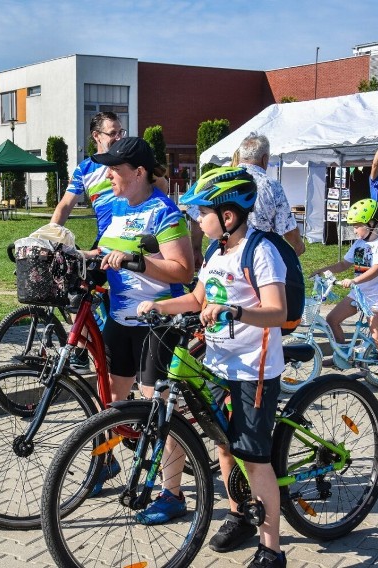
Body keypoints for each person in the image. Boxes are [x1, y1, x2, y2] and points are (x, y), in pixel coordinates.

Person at [138, 167, 287, 566]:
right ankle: (239, 515)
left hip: (253, 370)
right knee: (224, 444)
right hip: (220, 365)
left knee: (254, 460)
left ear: (228, 215)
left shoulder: (261, 251)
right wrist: (158, 306)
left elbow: (278, 311)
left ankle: (271, 548)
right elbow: (198, 298)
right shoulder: (215, 252)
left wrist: (235, 309)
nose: (196, 220)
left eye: (202, 212)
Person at [87, 137, 195, 501]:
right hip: (120, 320)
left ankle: (172, 493)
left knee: (159, 410)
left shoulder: (165, 212)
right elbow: (104, 251)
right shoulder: (117, 208)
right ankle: (106, 464)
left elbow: (183, 271)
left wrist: (138, 261)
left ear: (139, 172)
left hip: (157, 323)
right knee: (113, 406)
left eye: (115, 169)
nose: (109, 175)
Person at [311, 199, 378, 395]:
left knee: (377, 335)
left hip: (375, 296)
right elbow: (344, 264)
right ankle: (342, 355)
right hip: (358, 294)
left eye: (358, 226)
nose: (355, 230)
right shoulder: (359, 244)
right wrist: (322, 270)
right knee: (332, 319)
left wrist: (354, 280)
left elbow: (377, 269)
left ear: (372, 225)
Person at [51, 111, 125, 245]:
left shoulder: (132, 159)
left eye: (121, 132)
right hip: (105, 240)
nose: (119, 138)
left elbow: (161, 186)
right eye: (113, 133)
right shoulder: (84, 169)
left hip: (134, 237)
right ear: (97, 136)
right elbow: (66, 205)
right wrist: (49, 236)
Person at [230, 133, 305, 256]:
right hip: (257, 254)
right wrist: (299, 246)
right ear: (264, 159)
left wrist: (196, 248)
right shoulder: (270, 185)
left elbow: (197, 214)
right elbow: (286, 226)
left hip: (224, 253)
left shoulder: (222, 179)